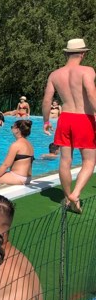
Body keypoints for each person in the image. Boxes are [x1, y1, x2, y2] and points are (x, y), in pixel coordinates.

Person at [42, 38, 96, 213]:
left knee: (65, 160)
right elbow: (91, 93)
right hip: (84, 118)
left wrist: (46, 121)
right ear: (83, 53)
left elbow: (47, 100)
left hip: (65, 118)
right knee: (89, 161)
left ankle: (67, 197)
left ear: (67, 53)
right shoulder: (87, 71)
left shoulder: (55, 75)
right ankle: (76, 194)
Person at [0, 120, 34, 185]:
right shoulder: (29, 144)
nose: (11, 129)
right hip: (28, 178)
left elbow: (6, 165)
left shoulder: (16, 144)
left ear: (17, 130)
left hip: (18, 177)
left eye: (12, 127)